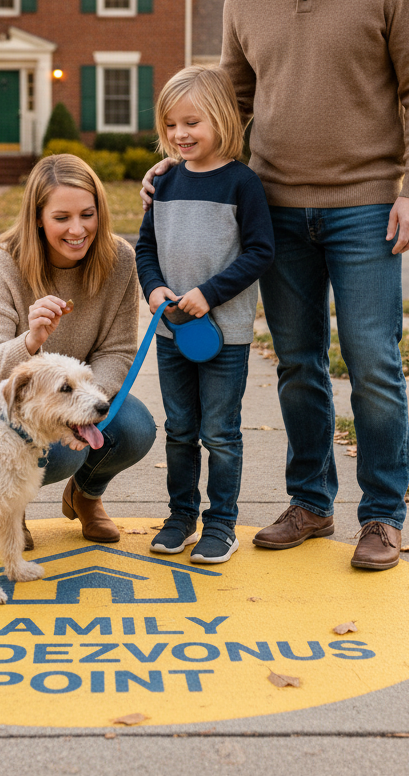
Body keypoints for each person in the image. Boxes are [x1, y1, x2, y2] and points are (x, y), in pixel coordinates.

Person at [143, 0, 409, 571]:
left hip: (367, 206)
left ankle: (380, 516)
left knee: (373, 362)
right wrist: (185, 161)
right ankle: (311, 501)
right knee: (297, 365)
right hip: (276, 206)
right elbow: (230, 102)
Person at [0, 153, 155, 545]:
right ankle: (9, 509)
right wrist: (30, 341)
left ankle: (86, 496)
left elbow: (118, 351)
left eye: (88, 214)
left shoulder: (119, 260)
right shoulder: (3, 263)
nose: (78, 229)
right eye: (62, 218)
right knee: (62, 451)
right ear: (38, 218)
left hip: (76, 391)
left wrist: (76, 398)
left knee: (135, 429)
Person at [136, 65, 274, 564]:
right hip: (171, 334)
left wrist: (209, 294)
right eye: (171, 125)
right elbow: (145, 247)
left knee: (219, 432)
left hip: (225, 335)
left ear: (220, 119)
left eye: (191, 122)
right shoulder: (165, 182)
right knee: (179, 429)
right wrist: (153, 291)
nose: (179, 134)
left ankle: (221, 524)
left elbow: (261, 252)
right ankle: (180, 517)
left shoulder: (242, 184)